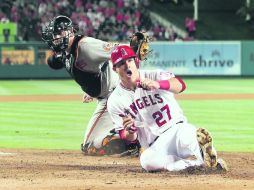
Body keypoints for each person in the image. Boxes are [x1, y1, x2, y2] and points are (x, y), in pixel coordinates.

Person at [107, 45, 228, 172]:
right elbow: (126, 136)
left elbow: (180, 85)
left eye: (130, 60)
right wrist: (130, 131)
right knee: (147, 161)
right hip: (156, 144)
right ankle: (195, 165)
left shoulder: (154, 75)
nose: (127, 65)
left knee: (193, 138)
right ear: (115, 68)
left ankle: (208, 157)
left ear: (135, 61)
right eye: (121, 63)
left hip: (177, 128)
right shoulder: (115, 101)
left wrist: (158, 84)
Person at [41, 15, 139, 156]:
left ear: (70, 32)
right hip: (106, 94)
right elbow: (53, 62)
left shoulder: (86, 45)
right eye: (54, 34)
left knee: (91, 146)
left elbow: (118, 51)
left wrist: (133, 50)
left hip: (113, 95)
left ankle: (135, 143)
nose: (55, 37)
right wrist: (92, 90)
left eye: (58, 33)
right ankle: (133, 138)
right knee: (91, 146)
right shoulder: (67, 52)